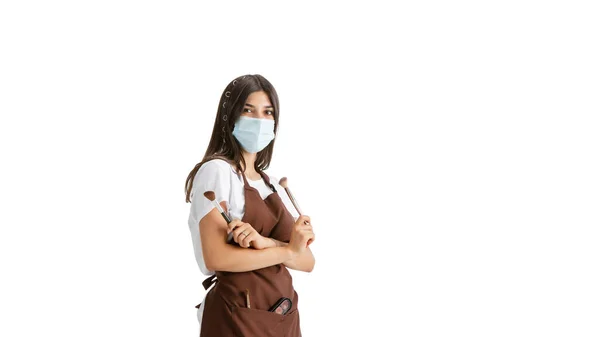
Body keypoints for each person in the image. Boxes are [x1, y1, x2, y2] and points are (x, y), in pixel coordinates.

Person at [184, 74, 316, 336]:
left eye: (268, 112)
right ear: (230, 116)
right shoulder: (217, 172)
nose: (259, 120)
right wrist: (287, 251)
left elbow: (308, 261)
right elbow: (216, 256)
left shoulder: (273, 184)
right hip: (236, 314)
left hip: (282, 315)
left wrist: (268, 243)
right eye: (248, 110)